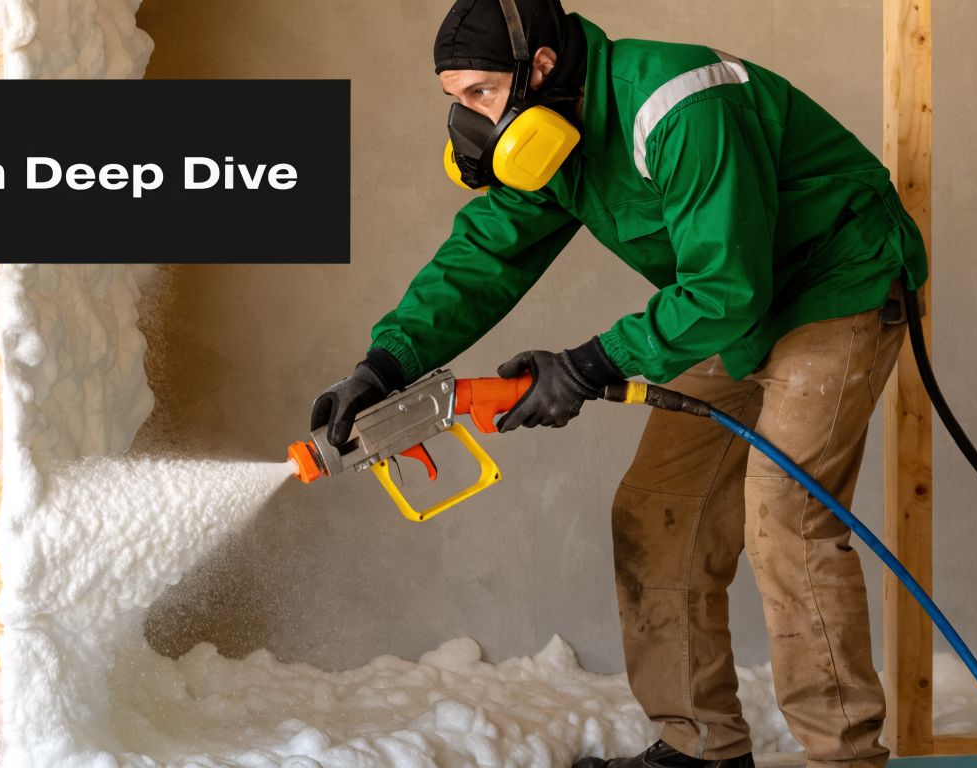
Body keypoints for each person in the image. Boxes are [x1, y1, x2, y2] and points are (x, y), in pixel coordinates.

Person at [310, 1, 928, 767]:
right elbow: (486, 256)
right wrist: (385, 364)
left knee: (786, 518)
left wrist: (588, 364)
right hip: (725, 308)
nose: (466, 118)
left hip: (835, 288)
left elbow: (725, 286)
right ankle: (699, 745)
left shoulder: (678, 104)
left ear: (538, 67)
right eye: (454, 98)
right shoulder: (553, 138)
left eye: (477, 93)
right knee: (659, 510)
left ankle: (846, 760)